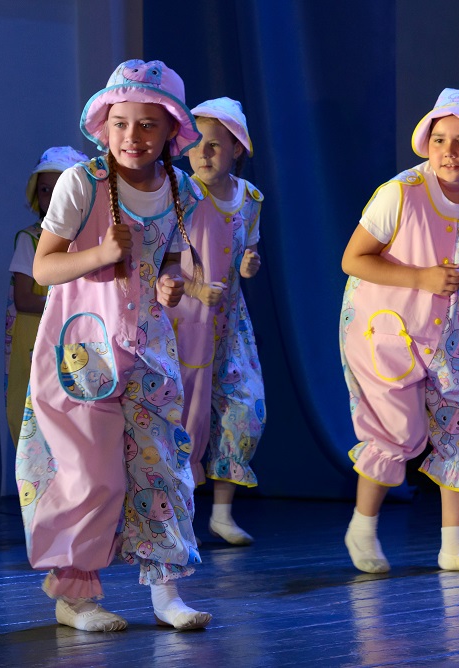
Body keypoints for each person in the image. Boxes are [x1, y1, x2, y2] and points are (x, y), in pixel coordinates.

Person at [16, 59, 211, 632]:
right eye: (121, 123)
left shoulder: (182, 190)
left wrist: (171, 282)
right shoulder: (84, 183)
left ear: (171, 130)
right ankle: (75, 596)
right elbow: (43, 268)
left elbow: (168, 260)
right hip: (82, 351)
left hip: (149, 349)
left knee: (162, 467)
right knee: (90, 475)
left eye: (148, 124)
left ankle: (167, 592)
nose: (133, 136)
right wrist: (101, 253)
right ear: (104, 125)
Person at [339, 89, 459, 575]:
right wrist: (420, 277)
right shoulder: (401, 193)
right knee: (398, 430)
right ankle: (362, 527)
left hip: (453, 330)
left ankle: (454, 546)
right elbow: (353, 259)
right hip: (385, 327)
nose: (449, 151)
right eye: (439, 139)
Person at [167, 97, 265, 546]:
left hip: (229, 322)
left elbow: (246, 247)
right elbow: (157, 259)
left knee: (244, 407)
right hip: (184, 320)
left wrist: (249, 264)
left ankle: (222, 513)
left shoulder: (250, 199)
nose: (203, 154)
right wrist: (194, 289)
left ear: (236, 148)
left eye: (215, 145)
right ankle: (176, 516)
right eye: (196, 145)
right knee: (183, 415)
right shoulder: (179, 194)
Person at [5, 146, 89, 445]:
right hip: (38, 346)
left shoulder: (90, 243)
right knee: (38, 419)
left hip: (80, 346)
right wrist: (72, 304)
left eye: (60, 189)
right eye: (44, 190)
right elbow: (24, 299)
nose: (51, 197)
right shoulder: (30, 240)